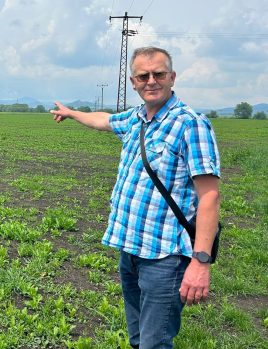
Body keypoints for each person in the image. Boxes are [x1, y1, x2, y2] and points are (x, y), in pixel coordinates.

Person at [50, 46, 220, 349]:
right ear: (133, 81)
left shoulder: (190, 124)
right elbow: (103, 120)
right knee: (139, 339)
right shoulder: (136, 119)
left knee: (154, 343)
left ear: (172, 77)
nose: (151, 80)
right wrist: (72, 113)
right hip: (130, 251)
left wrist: (201, 263)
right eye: (143, 76)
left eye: (159, 74)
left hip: (164, 258)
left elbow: (209, 197)